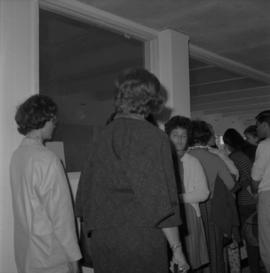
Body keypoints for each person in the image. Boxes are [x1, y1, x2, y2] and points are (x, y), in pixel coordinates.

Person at [75, 68, 189, 273]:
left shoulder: (101, 137)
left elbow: (83, 198)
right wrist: (177, 249)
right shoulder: (153, 137)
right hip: (139, 240)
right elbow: (160, 202)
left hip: (103, 240)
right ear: (152, 99)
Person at [9, 95, 81, 273]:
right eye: (52, 120)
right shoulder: (47, 160)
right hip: (50, 257)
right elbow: (62, 217)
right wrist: (74, 260)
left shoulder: (18, 156)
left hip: (26, 253)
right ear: (42, 119)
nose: (54, 124)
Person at [188, 120, 237, 273]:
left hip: (188, 209)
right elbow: (230, 184)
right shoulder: (214, 158)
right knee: (214, 251)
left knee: (193, 252)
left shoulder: (183, 157)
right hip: (212, 208)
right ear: (207, 136)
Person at [165, 116, 209, 271]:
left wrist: (177, 199)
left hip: (188, 215)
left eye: (183, 136)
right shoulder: (162, 160)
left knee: (190, 262)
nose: (179, 140)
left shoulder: (193, 161)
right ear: (168, 137)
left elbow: (204, 193)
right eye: (175, 135)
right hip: (166, 217)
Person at [223, 128, 259, 273]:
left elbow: (246, 177)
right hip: (252, 201)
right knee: (255, 238)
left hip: (245, 203)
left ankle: (254, 268)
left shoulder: (235, 157)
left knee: (250, 240)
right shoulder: (243, 154)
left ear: (227, 143)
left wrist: (233, 188)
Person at [251, 110, 270, 272]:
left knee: (267, 239)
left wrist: (254, 191)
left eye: (257, 126)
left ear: (265, 125)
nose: (256, 129)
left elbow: (256, 176)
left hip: (268, 195)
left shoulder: (264, 145)